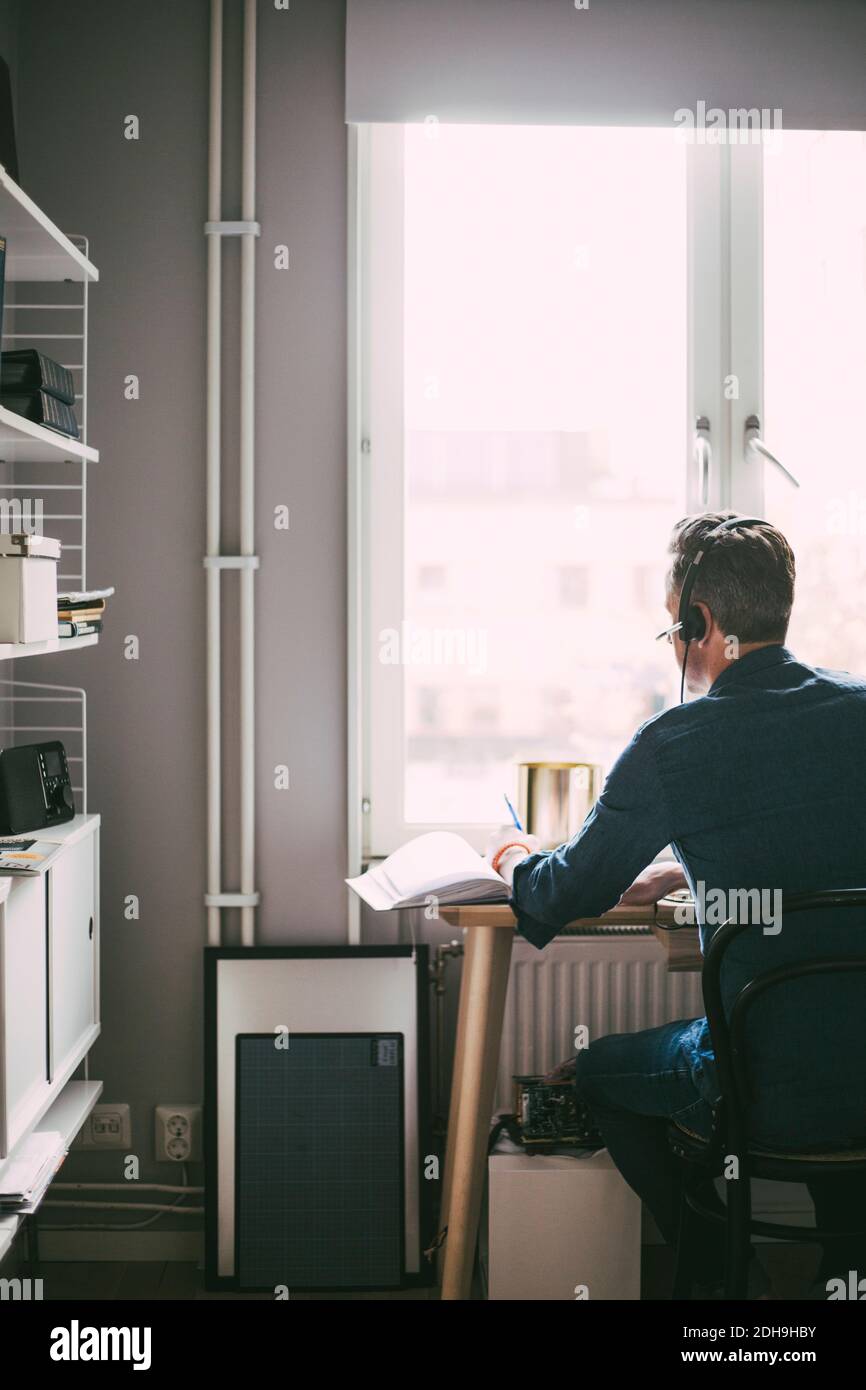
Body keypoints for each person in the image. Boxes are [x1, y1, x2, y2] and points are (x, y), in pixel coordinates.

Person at [487, 511, 866, 1300]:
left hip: (756, 1091)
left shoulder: (674, 745)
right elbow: (811, 865)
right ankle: (842, 1277)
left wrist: (514, 855)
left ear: (702, 622)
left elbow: (563, 896)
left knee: (594, 1074)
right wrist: (692, 878)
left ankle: (720, 1271)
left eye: (674, 629)